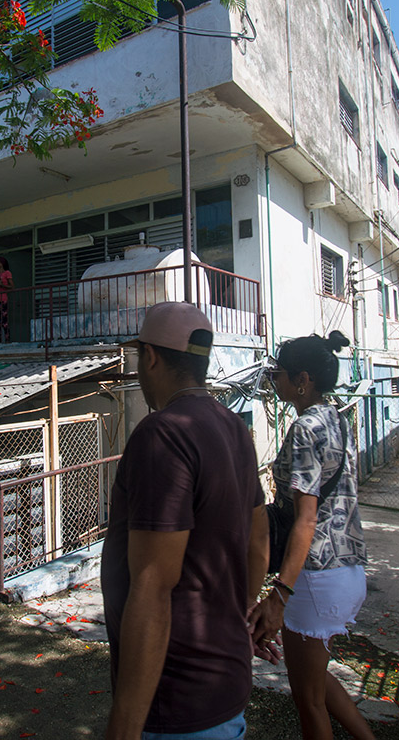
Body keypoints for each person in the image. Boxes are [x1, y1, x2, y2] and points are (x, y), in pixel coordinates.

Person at [102, 302, 269, 740]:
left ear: (151, 357)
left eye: (139, 357)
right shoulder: (235, 428)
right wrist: (235, 619)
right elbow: (258, 544)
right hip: (226, 685)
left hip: (175, 699)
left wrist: (124, 728)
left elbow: (153, 587)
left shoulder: (163, 434)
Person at [247, 331, 373, 740]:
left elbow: (305, 518)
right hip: (348, 569)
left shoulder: (304, 428)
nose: (275, 381)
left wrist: (280, 594)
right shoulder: (338, 417)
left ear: (302, 379)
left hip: (314, 576)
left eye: (279, 374)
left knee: (307, 698)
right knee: (316, 681)